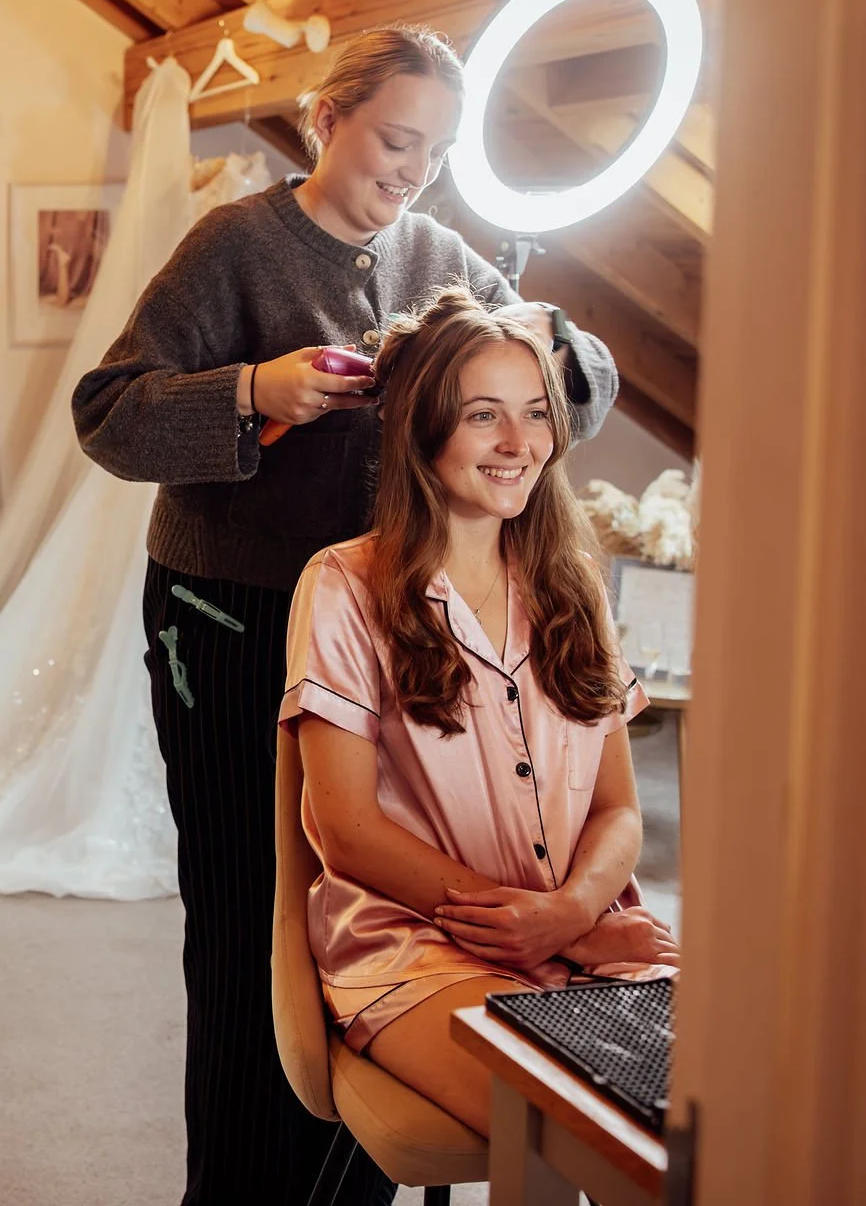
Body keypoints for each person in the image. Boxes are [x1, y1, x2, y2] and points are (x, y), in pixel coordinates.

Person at [71, 26, 618, 1205]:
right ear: (327, 121)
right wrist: (255, 391)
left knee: (366, 928)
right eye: (395, 139)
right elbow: (106, 415)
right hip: (231, 623)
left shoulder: (441, 253)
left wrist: (552, 344)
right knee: (248, 930)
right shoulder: (234, 249)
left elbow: (578, 384)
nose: (412, 169)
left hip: (381, 638)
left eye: (436, 151)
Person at [280, 288, 679, 1137]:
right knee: (573, 1125)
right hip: (417, 946)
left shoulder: (575, 586)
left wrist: (571, 915)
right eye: (484, 416)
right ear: (423, 430)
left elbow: (618, 812)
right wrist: (546, 932)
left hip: (587, 922)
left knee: (722, 1115)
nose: (518, 443)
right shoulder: (345, 586)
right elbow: (346, 830)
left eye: (536, 414)